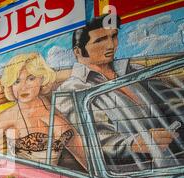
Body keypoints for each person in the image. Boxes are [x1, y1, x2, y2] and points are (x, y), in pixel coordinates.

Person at [57, 14, 180, 167]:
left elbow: (171, 101)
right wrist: (136, 142)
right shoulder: (71, 90)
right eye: (100, 40)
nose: (110, 45)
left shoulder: (133, 70)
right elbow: (99, 141)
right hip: (132, 172)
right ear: (78, 52)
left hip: (173, 157)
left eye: (113, 36)